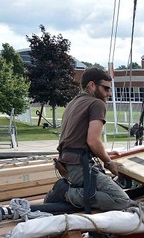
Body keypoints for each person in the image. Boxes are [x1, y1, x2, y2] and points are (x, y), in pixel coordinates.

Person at [48, 67, 134, 212]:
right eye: (106, 88)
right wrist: (108, 162)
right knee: (121, 201)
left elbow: (76, 139)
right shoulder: (97, 104)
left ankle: (68, 191)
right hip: (79, 168)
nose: (109, 93)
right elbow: (93, 141)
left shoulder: (73, 103)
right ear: (92, 85)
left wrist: (104, 153)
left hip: (67, 165)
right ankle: (66, 193)